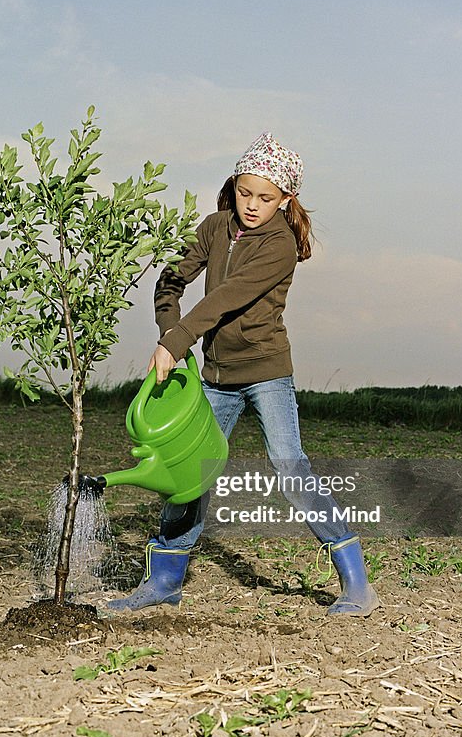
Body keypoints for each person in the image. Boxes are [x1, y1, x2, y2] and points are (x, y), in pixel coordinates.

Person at [106, 132, 379, 617]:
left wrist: (177, 341)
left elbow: (225, 297)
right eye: (244, 193)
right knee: (189, 475)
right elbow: (171, 278)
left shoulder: (280, 246)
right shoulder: (213, 227)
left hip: (266, 373)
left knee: (290, 468)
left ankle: (355, 581)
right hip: (214, 376)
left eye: (266, 197)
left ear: (286, 199)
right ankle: (164, 580)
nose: (252, 205)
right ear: (233, 187)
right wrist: (171, 327)